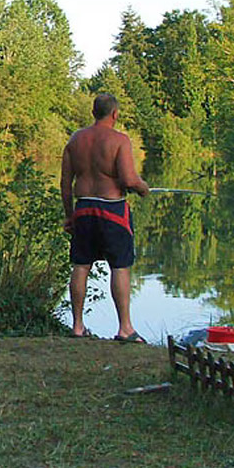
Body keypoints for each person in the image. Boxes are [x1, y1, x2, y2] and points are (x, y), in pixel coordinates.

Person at [61, 93, 149, 342]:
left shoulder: (75, 140)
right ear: (115, 114)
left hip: (84, 208)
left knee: (81, 265)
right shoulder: (119, 140)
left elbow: (65, 185)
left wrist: (69, 216)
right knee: (120, 266)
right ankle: (125, 329)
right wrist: (143, 188)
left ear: (93, 112)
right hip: (112, 210)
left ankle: (77, 327)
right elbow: (129, 180)